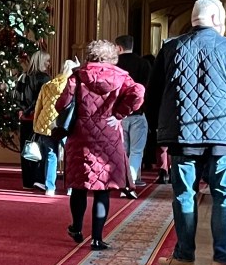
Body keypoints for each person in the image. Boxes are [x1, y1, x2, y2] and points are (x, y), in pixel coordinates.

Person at [145, 0, 226, 265]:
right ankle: (224, 257)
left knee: (184, 195)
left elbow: (153, 93)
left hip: (182, 135)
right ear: (218, 20)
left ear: (194, 20)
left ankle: (185, 256)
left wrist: (157, 129)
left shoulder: (171, 48)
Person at [57, 39, 145, 251]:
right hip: (109, 134)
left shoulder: (78, 76)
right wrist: (119, 113)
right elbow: (139, 92)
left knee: (80, 186)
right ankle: (97, 238)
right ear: (111, 57)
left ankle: (77, 228)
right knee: (102, 189)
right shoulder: (121, 76)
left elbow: (62, 104)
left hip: (81, 135)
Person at [33, 58, 79, 196]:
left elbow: (39, 106)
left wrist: (36, 124)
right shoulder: (74, 86)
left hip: (47, 124)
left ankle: (50, 188)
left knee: (50, 156)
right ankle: (71, 188)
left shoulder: (48, 84)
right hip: (66, 125)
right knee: (70, 156)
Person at [115, 35, 151, 197]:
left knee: (123, 150)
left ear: (119, 48)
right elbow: (148, 90)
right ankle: (130, 183)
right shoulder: (144, 64)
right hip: (138, 113)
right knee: (136, 151)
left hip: (119, 115)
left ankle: (123, 181)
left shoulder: (114, 65)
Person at [15, 50, 51, 190]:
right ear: (41, 62)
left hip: (24, 118)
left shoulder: (23, 76)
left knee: (27, 148)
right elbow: (41, 100)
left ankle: (27, 182)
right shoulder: (45, 79)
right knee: (40, 149)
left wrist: (21, 110)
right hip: (38, 117)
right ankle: (38, 179)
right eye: (47, 61)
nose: (49, 64)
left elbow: (17, 96)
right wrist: (30, 111)